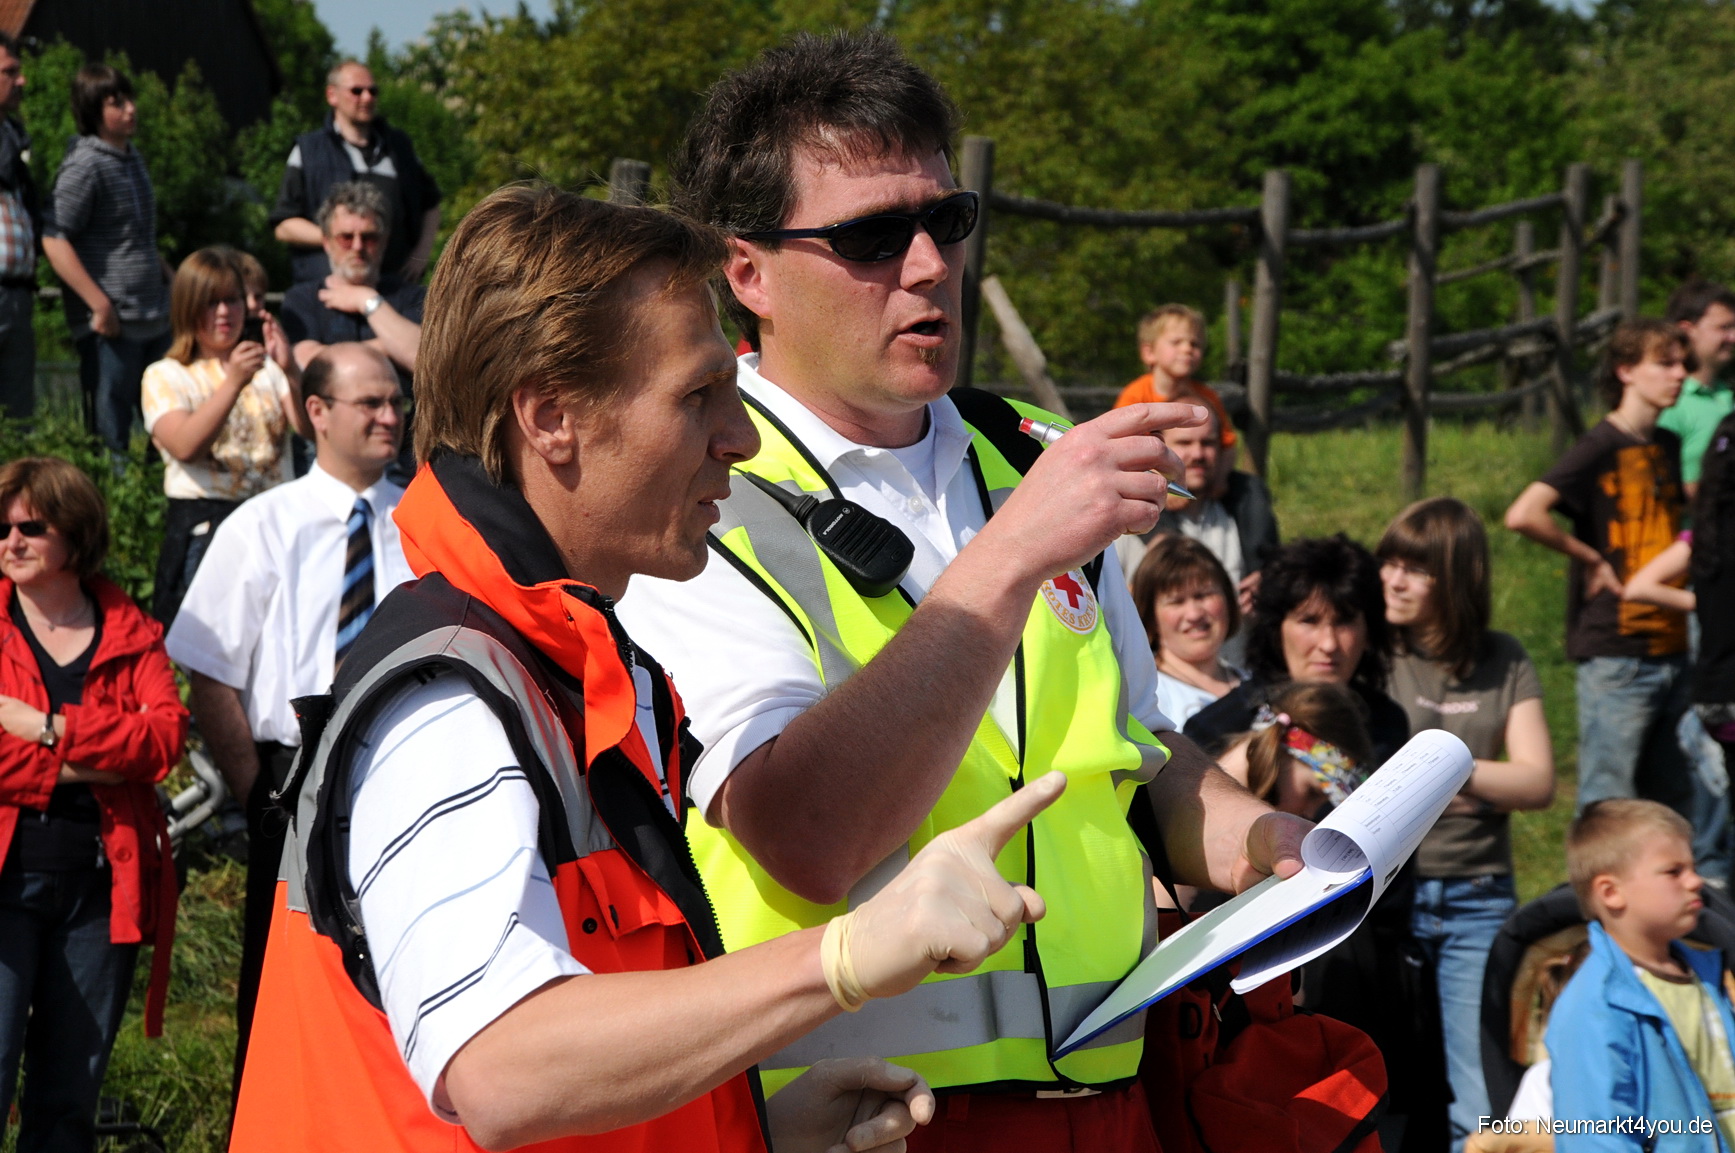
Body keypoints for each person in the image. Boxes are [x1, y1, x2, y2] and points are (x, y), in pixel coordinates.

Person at [229, 183, 1082, 1153]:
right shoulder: (450, 703)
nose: (742, 436)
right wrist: (844, 957)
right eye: (696, 396)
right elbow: (502, 1068)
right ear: (551, 417)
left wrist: (738, 1125)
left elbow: (571, 1046)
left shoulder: (572, 672)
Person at [618, 30, 1309, 1150]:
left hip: (1117, 1093)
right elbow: (805, 837)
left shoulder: (1026, 461)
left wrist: (1263, 842)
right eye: (870, 236)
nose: (930, 265)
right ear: (747, 274)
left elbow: (1130, 753)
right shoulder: (698, 501)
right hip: (864, 1117)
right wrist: (1014, 551)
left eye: (945, 221)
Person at [164, 341, 410, 1103]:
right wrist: (255, 794)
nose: (389, 415)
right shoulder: (262, 525)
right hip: (289, 774)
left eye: (396, 400)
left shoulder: (426, 521)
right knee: (281, 984)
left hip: (404, 767)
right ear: (316, 412)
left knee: (402, 974)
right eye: (369, 402)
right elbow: (211, 669)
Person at [0, 456, 188, 1151]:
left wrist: (50, 728)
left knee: (68, 1098)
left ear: (73, 533)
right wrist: (99, 768)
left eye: (30, 526)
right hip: (6, 882)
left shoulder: (132, 629)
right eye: (0, 528)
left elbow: (164, 739)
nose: (10, 541)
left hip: (101, 889)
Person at [1504, 319, 1724, 872]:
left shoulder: (1669, 444)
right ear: (1626, 371)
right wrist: (1590, 558)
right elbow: (1524, 513)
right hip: (1617, 651)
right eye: (1665, 363)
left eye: (1682, 363)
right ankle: (1591, 929)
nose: (1680, 374)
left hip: (1674, 645)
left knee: (1674, 808)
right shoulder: (1599, 444)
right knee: (1608, 803)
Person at [1378, 497, 1556, 1152]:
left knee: (1479, 1101)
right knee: (1379, 1088)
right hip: (1384, 897)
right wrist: (1484, 780)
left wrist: (1435, 771)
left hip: (1477, 898)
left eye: (1413, 569)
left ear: (1454, 580)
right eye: (1387, 563)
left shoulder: (1502, 658)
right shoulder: (1376, 650)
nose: (1391, 580)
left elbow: (1536, 780)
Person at [1548, 799, 1735, 1150]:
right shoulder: (1594, 1007)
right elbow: (1594, 1136)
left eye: (1693, 867)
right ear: (1611, 892)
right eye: (1673, 871)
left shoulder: (1708, 976)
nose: (1696, 881)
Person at [141, 247, 308, 627]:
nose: (224, 313)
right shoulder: (165, 375)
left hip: (275, 522)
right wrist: (233, 382)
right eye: (210, 302)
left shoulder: (268, 367)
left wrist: (292, 371)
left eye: (232, 300)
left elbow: (311, 432)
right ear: (187, 307)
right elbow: (185, 446)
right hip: (206, 526)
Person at [1186, 534, 1410, 767]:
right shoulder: (1213, 731)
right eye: (1309, 621)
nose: (1329, 644)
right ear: (1276, 630)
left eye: (1344, 622)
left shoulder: (1388, 726)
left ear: (1369, 632)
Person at [42, 64, 173, 460]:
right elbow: (53, 237)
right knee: (109, 436)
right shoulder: (85, 165)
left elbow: (134, 237)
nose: (131, 110)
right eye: (117, 103)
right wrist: (97, 302)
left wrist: (173, 277)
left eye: (130, 100)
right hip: (111, 324)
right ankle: (111, 514)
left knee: (164, 421)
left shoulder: (133, 160)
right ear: (92, 110)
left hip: (154, 313)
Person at [270, 60, 442, 287]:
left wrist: (421, 255)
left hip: (393, 288)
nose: (367, 98)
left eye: (373, 91)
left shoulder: (399, 148)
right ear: (332, 95)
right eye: (357, 91)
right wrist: (340, 238)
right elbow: (284, 225)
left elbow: (432, 204)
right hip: (325, 291)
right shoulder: (308, 150)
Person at [1115, 404, 1279, 617]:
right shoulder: (1127, 519)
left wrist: (1269, 585)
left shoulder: (1241, 512)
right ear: (1159, 446)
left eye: (1208, 443)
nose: (1198, 453)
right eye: (1184, 442)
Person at [1113, 304, 1239, 479]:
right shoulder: (1135, 396)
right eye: (1176, 342)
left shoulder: (1207, 397)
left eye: (1195, 344)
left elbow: (1227, 446)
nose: (1187, 349)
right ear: (1149, 352)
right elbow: (1120, 448)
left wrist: (1219, 480)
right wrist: (1167, 485)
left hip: (1200, 483)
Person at [1131, 534, 1243, 728]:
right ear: (1151, 616)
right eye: (1176, 601)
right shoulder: (1146, 701)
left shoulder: (1255, 684)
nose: (1194, 614)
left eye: (1204, 595)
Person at [1660, 280, 1735, 500]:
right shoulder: (1670, 402)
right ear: (1687, 331)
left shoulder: (1727, 395)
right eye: (1724, 328)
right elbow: (1659, 491)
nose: (1733, 338)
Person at [0, 34, 37, 422]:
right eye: (10, 72)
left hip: (17, 294)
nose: (21, 81)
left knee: (16, 420)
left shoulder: (12, 140)